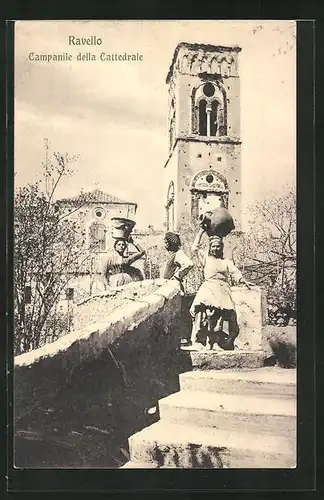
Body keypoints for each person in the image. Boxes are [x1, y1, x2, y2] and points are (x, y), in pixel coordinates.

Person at [190, 227, 253, 351]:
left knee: (223, 317)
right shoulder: (206, 259)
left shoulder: (226, 262)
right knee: (207, 314)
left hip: (223, 291)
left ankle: (218, 341)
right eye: (213, 246)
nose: (215, 248)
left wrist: (243, 280)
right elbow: (194, 248)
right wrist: (201, 231)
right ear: (210, 247)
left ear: (221, 248)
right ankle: (207, 341)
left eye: (218, 246)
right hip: (208, 289)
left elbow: (235, 272)